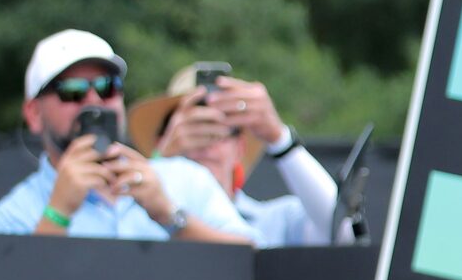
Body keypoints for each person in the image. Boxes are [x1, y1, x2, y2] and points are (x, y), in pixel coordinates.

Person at [0, 29, 252, 244]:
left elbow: (251, 265)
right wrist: (57, 214)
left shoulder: (185, 178)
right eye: (72, 91)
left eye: (107, 87)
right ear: (35, 114)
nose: (94, 100)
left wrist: (169, 215)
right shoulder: (9, 216)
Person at [129, 65, 342, 247]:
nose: (206, 143)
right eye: (193, 127)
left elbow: (342, 230)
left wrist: (280, 139)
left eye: (219, 128)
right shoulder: (131, 215)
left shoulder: (278, 219)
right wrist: (163, 164)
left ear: (239, 147)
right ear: (162, 142)